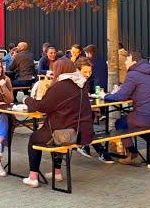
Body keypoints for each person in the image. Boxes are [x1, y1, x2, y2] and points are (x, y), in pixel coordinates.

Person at [22, 58, 96, 187]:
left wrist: (26, 99)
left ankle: (33, 177)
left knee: (35, 138)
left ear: (59, 70)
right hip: (82, 132)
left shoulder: (60, 86)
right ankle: (57, 172)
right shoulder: (82, 84)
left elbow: (42, 106)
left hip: (66, 133)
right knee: (55, 134)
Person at [103, 51, 150, 164]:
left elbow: (120, 96)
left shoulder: (133, 74)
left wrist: (105, 96)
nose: (125, 63)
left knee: (121, 124)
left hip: (147, 116)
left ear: (134, 61)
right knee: (138, 126)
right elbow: (144, 91)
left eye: (127, 60)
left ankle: (133, 156)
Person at [74, 57, 114, 163]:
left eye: (90, 71)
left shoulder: (85, 81)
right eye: (85, 72)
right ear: (77, 70)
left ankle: (87, 147)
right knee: (87, 126)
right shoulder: (74, 82)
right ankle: (101, 152)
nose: (88, 74)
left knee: (88, 125)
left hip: (83, 113)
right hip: (73, 115)